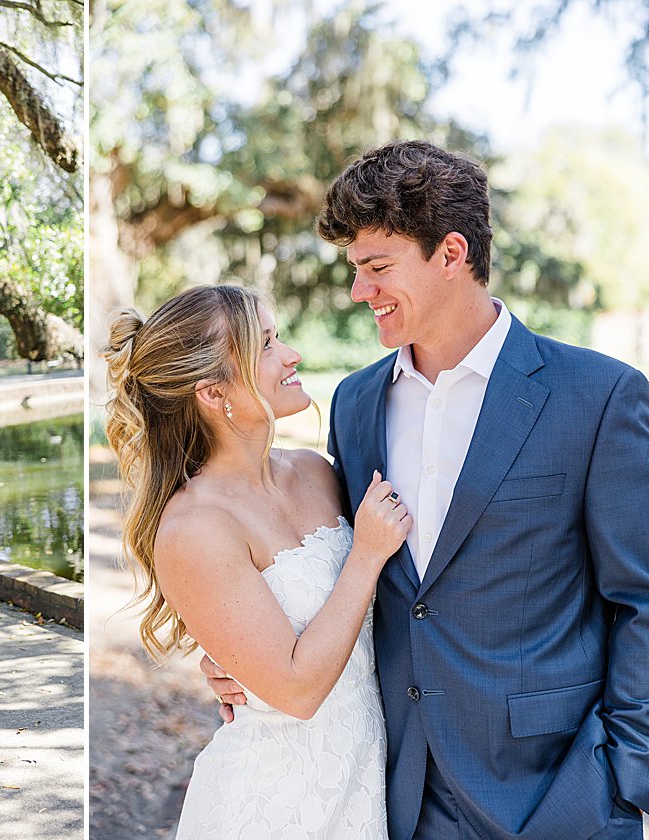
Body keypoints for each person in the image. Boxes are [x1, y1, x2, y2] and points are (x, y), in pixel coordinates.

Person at [205, 140, 649, 839]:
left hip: (561, 796)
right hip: (399, 794)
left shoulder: (599, 397)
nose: (359, 292)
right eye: (355, 270)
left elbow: (641, 602)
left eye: (377, 267)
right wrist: (242, 654)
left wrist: (628, 776)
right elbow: (345, 573)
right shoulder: (354, 407)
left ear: (451, 254)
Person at [102, 284, 411, 838]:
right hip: (270, 804)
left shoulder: (317, 473)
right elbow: (295, 691)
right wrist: (365, 554)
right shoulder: (194, 527)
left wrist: (234, 660)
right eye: (266, 344)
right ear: (212, 392)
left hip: (361, 788)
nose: (291, 354)